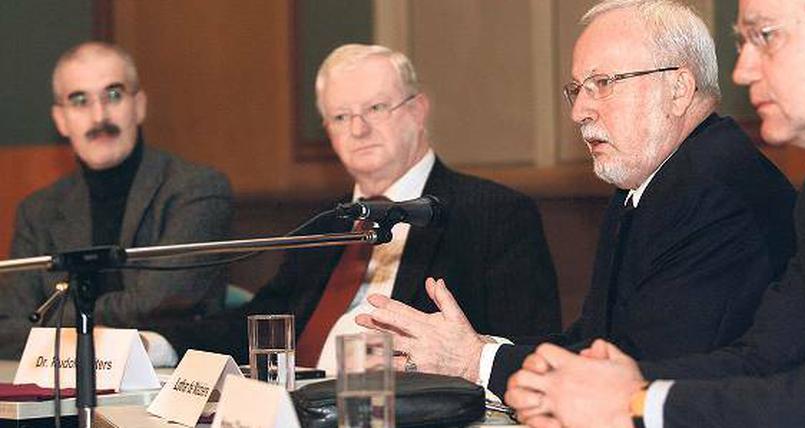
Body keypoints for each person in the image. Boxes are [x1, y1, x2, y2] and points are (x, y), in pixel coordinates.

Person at [506, 0, 805, 427]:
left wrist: (636, 402)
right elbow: (766, 359)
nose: (742, 71)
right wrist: (619, 382)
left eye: (765, 37)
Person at [357, 0, 797, 399]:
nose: (579, 111)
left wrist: (476, 362)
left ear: (679, 88)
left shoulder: (716, 191)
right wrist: (485, 350)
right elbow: (596, 343)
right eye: (577, 89)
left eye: (602, 83)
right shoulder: (650, 184)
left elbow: (643, 375)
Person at [153, 44, 561, 372]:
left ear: (417, 111)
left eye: (376, 109)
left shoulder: (494, 213)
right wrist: (155, 344)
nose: (358, 129)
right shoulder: (326, 225)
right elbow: (257, 324)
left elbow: (527, 346)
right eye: (341, 116)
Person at [0, 41, 233, 358]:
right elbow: (9, 327)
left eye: (113, 95)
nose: (100, 116)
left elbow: (159, 305)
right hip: (61, 389)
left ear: (139, 105)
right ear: (60, 120)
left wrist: (60, 323)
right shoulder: (37, 211)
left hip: (168, 387)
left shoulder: (198, 190)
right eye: (79, 100)